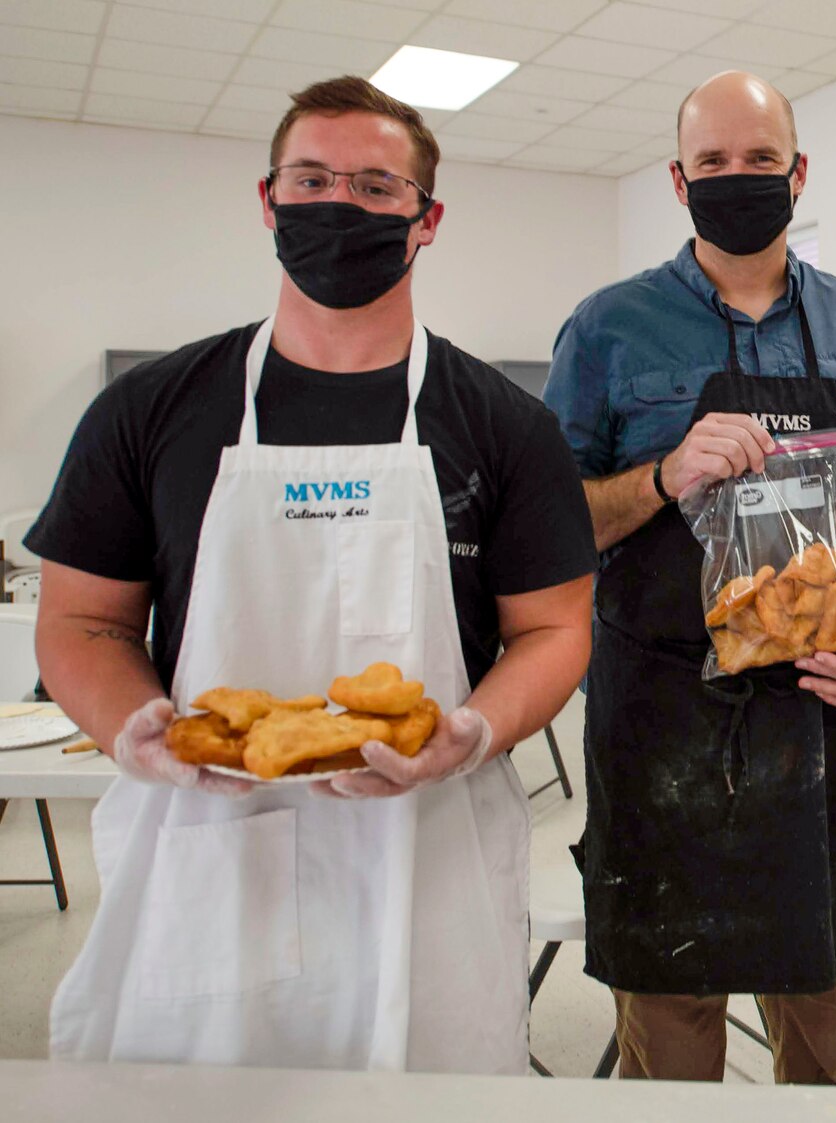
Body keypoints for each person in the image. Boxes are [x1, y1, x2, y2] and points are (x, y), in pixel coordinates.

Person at [27, 77, 597, 1071]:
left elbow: (553, 628)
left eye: (378, 187)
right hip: (209, 844)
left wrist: (468, 733)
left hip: (432, 848)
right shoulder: (152, 410)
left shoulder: (507, 425)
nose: (341, 204)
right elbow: (82, 622)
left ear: (427, 220)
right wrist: (137, 730)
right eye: (313, 178)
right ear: (267, 200)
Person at [542, 71, 836, 1086]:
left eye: (759, 159)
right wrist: (666, 475)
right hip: (660, 706)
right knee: (671, 1014)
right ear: (678, 181)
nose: (737, 177)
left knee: (828, 990)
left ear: (797, 172)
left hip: (819, 705)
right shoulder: (608, 327)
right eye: (713, 162)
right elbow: (548, 521)